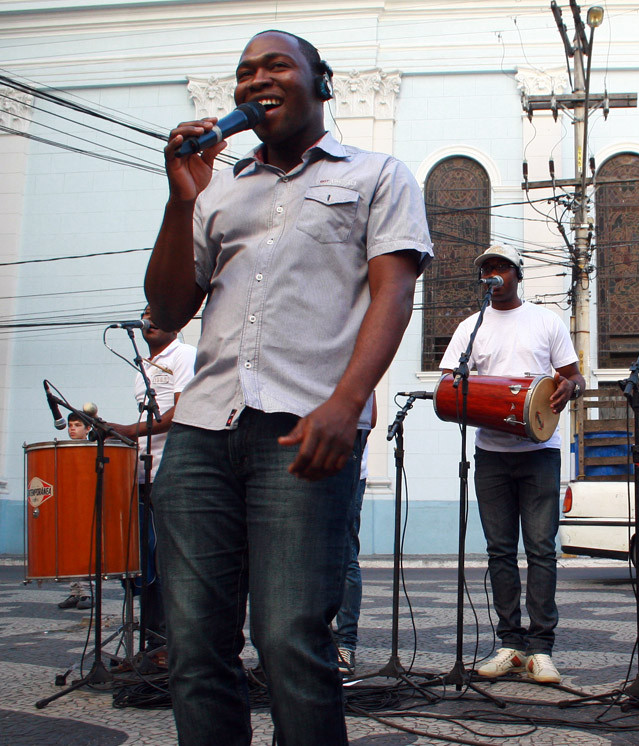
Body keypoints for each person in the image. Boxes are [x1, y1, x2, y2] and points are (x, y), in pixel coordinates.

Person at [144, 29, 432, 746]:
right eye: (244, 72)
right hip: (202, 433)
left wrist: (345, 404)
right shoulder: (219, 195)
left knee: (291, 644)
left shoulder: (377, 175)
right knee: (194, 647)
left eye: (275, 65)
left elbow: (392, 296)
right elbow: (170, 308)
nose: (254, 80)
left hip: (303, 432)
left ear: (320, 82)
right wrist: (182, 199)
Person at [438, 244, 584, 685]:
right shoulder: (471, 326)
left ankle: (541, 648)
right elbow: (449, 381)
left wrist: (569, 389)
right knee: (500, 551)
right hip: (491, 454)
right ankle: (510, 644)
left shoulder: (545, 320)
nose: (493, 273)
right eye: (486, 268)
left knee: (540, 550)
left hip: (540, 451)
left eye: (500, 267)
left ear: (517, 274)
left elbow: (574, 375)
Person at [108, 305, 196, 644]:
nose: (151, 319)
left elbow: (183, 408)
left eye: (160, 311)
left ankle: (169, 644)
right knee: (144, 565)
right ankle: (151, 643)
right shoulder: (143, 365)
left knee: (167, 563)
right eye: (147, 313)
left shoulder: (183, 354)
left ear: (178, 321)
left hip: (172, 472)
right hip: (143, 473)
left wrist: (130, 429)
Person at [334, 397, 375, 675]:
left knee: (346, 555)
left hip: (348, 469)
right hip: (303, 471)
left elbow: (368, 419)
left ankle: (345, 642)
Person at [57, 413, 93, 610]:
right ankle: (74, 592)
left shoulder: (91, 449)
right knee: (69, 549)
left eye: (78, 425)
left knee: (84, 550)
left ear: (88, 429)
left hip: (85, 505)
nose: (72, 428)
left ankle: (88, 593)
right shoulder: (65, 449)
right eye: (70, 425)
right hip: (69, 504)